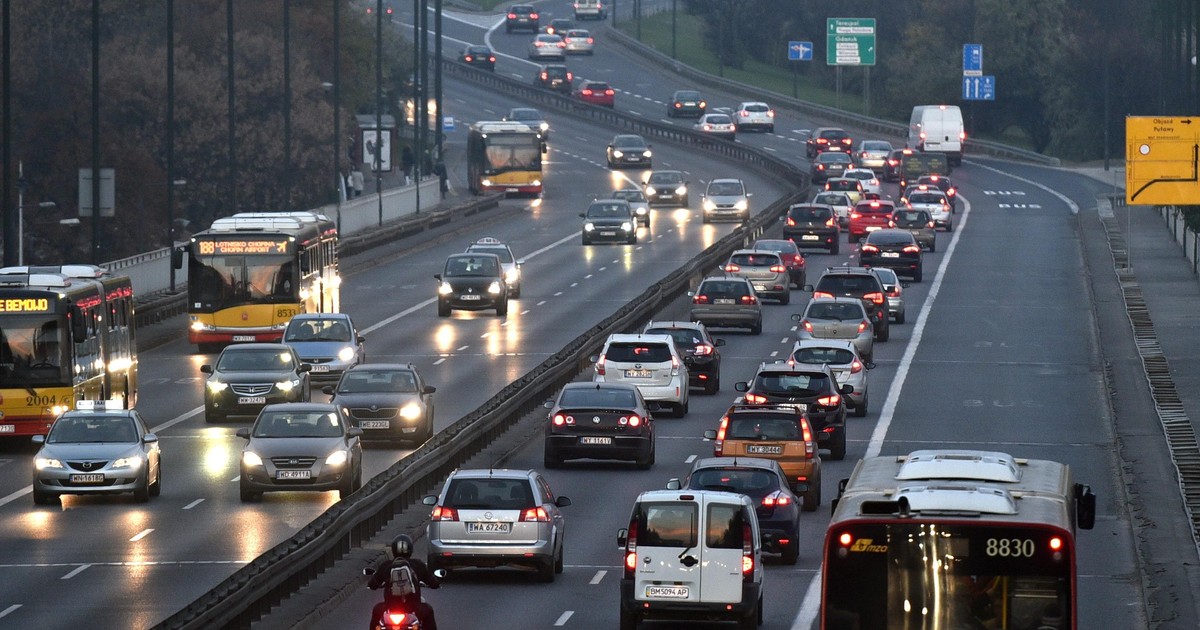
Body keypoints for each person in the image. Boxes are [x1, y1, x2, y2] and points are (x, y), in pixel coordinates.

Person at [367, 534, 439, 630]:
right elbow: (432, 582)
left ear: (393, 550)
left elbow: (372, 584)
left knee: (376, 610)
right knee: (429, 611)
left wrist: (374, 585)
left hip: (390, 607)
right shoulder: (418, 565)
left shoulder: (385, 566)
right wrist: (436, 584)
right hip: (413, 608)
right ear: (410, 549)